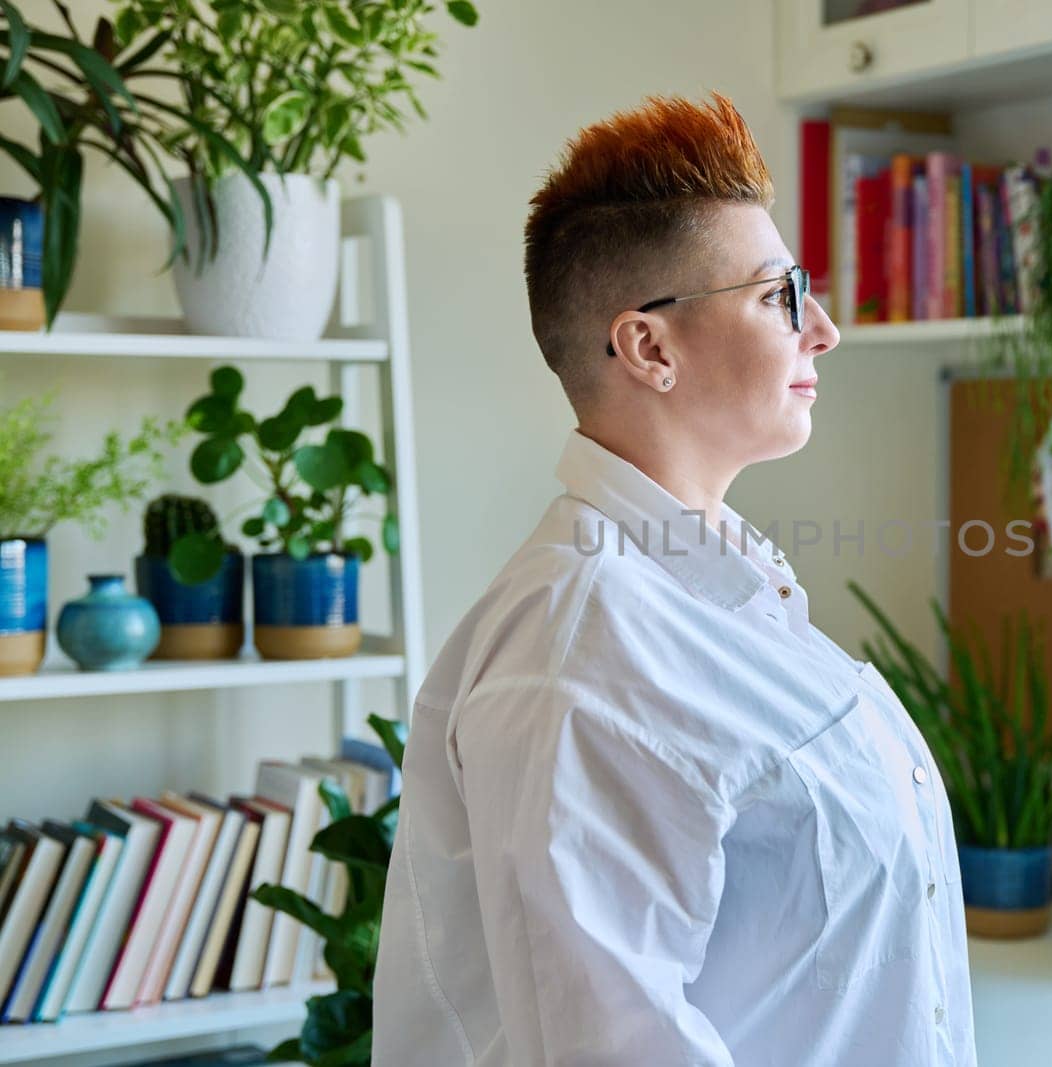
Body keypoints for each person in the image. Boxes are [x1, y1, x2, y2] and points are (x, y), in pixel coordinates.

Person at [372, 91, 976, 1066]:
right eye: (781, 294)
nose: (821, 328)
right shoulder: (580, 655)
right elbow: (605, 1045)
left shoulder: (717, 595)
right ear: (648, 346)